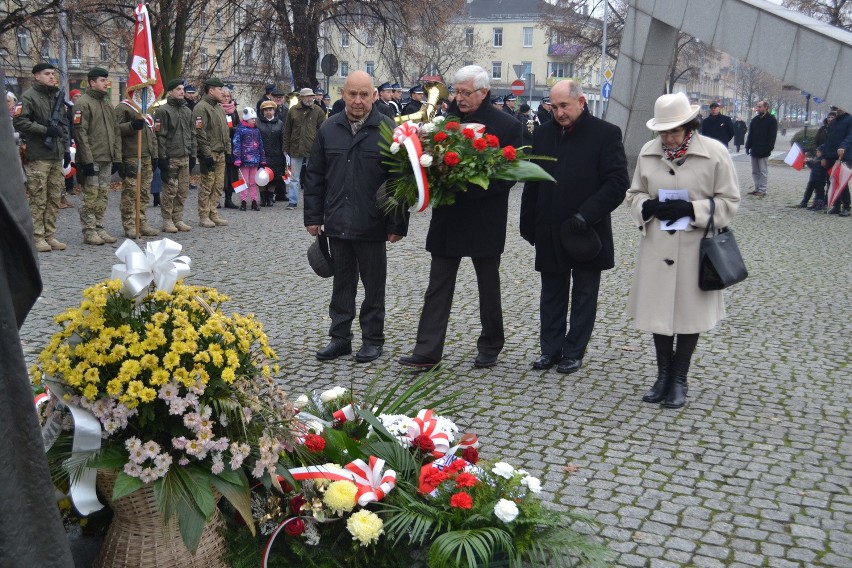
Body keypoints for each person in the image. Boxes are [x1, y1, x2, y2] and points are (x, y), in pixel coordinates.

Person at [399, 65, 522, 370]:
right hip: (449, 216)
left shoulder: (507, 126)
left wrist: (465, 186)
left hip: (485, 216)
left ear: (484, 92)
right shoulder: (442, 121)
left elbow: (509, 176)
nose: (459, 97)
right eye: (456, 91)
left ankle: (491, 344)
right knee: (438, 284)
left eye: (466, 92)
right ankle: (427, 350)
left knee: (488, 285)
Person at [625, 92, 740, 409]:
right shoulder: (649, 152)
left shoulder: (715, 153)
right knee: (660, 316)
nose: (668, 137)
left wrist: (691, 209)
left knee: (689, 317)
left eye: (674, 130)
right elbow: (634, 194)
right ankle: (662, 376)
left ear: (690, 126)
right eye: (663, 131)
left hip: (695, 248)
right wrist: (646, 206)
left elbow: (729, 202)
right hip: (658, 246)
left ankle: (679, 379)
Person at [0, 93, 76, 568]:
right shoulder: (31, 103)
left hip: (54, 156)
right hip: (43, 158)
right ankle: (57, 229)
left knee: (50, 196)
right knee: (46, 199)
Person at [520, 80, 628, 374]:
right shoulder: (542, 134)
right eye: (553, 107)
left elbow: (618, 183)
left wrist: (587, 214)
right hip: (550, 226)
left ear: (581, 102)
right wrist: (527, 222)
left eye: (564, 106)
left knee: (583, 294)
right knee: (551, 292)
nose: (558, 113)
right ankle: (550, 350)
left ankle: (574, 351)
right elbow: (534, 179)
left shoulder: (606, 134)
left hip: (586, 229)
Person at [304, 70, 408, 363]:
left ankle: (373, 340)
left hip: (372, 223)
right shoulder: (328, 129)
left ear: (374, 95)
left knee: (374, 287)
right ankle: (340, 339)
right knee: (342, 286)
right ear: (343, 95)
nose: (358, 101)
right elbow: (315, 177)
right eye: (352, 94)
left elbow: (399, 181)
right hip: (337, 222)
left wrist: (396, 224)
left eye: (364, 94)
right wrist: (313, 216)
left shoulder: (388, 129)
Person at [12, 63, 69, 252]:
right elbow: (19, 121)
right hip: (39, 155)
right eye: (47, 74)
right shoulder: (28, 96)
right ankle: (36, 236)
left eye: (53, 73)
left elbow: (63, 125)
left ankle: (49, 234)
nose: (52, 77)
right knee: (38, 197)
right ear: (37, 76)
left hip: (55, 154)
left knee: (54, 197)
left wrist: (66, 150)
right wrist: (45, 130)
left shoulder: (56, 96)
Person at [73, 67, 122, 245]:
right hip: (92, 158)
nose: (105, 83)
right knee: (90, 196)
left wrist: (116, 157)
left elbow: (115, 131)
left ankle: (99, 226)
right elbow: (81, 134)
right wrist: (86, 160)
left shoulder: (107, 103)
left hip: (106, 157)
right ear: (92, 82)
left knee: (103, 195)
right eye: (102, 80)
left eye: (106, 80)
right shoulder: (83, 103)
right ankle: (89, 230)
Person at [114, 92, 159, 238]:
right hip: (132, 155)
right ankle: (129, 224)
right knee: (131, 192)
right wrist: (131, 126)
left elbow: (151, 134)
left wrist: (155, 155)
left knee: (144, 192)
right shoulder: (123, 108)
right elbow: (116, 130)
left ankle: (141, 221)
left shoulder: (146, 109)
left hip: (146, 155)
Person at [155, 79, 196, 233]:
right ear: (170, 92)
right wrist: (162, 157)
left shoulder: (187, 111)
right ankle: (167, 220)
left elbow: (193, 134)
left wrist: (193, 155)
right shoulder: (163, 111)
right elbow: (161, 136)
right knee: (170, 190)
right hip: (171, 157)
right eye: (177, 89)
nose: (181, 92)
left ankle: (178, 218)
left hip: (185, 156)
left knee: (183, 190)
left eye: (182, 89)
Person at [194, 77, 231, 228]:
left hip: (220, 152)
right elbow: (200, 133)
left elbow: (225, 131)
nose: (223, 92)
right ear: (211, 91)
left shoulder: (219, 108)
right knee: (207, 184)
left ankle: (213, 212)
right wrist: (206, 154)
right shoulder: (201, 108)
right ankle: (204, 215)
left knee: (218, 185)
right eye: (220, 89)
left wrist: (228, 150)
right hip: (209, 153)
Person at [282, 87, 326, 210]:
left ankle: (312, 202)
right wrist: (285, 147)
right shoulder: (293, 111)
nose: (310, 98)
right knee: (294, 178)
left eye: (311, 96)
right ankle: (292, 201)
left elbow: (324, 131)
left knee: (312, 177)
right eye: (307, 96)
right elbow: (287, 131)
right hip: (295, 147)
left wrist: (321, 147)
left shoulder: (318, 111)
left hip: (313, 149)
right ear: (301, 97)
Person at [232, 106, 266, 211]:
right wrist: (237, 158)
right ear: (247, 119)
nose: (254, 120)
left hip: (255, 160)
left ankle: (254, 200)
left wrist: (262, 158)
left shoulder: (256, 131)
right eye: (252, 119)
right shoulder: (240, 130)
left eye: (254, 119)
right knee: (244, 181)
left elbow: (260, 144)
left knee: (253, 182)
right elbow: (236, 144)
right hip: (244, 161)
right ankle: (243, 200)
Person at [821, 105, 852, 216]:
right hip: (831, 155)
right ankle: (836, 205)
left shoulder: (850, 119)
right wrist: (824, 156)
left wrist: (843, 146)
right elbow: (828, 139)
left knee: (841, 181)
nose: (838, 109)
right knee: (832, 181)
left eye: (840, 106)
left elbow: (850, 136)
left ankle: (846, 207)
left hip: (844, 155)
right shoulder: (834, 122)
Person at [744, 100, 777, 197]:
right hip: (754, 149)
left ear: (766, 107)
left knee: (763, 171)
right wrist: (747, 146)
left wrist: (769, 148)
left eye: (759, 107)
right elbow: (751, 134)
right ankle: (757, 188)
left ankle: (762, 189)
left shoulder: (771, 120)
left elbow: (772, 136)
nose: (757, 108)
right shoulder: (755, 120)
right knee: (755, 171)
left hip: (764, 149)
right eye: (757, 106)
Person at [258, 99, 287, 204]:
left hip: (276, 154)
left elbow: (283, 139)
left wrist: (284, 151)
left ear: (274, 111)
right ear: (262, 112)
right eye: (266, 110)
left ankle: (270, 197)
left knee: (274, 177)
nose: (268, 112)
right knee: (261, 176)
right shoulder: (257, 122)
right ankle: (262, 198)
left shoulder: (280, 123)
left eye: (270, 109)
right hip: (262, 154)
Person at [220, 86, 240, 209]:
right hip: (221, 145)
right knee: (220, 174)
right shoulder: (217, 109)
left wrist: (234, 129)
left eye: (228, 96)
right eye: (224, 96)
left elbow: (238, 125)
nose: (227, 98)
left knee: (232, 174)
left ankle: (229, 198)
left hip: (232, 145)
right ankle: (216, 200)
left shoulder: (234, 110)